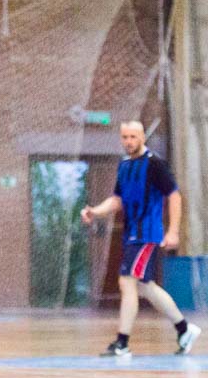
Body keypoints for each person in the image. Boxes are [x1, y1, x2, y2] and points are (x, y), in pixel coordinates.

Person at [81, 121, 201, 357]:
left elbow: (174, 196)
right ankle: (184, 329)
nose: (129, 141)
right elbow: (117, 200)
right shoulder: (124, 165)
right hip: (131, 235)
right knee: (145, 286)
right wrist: (95, 211)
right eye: (125, 137)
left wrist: (173, 231)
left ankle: (122, 343)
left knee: (127, 281)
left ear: (143, 137)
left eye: (133, 137)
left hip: (147, 234)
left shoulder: (155, 164)